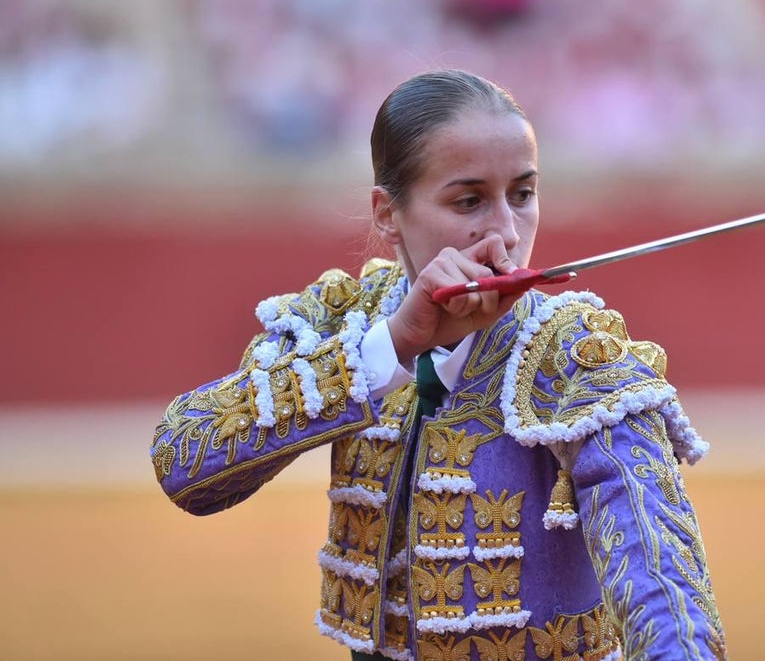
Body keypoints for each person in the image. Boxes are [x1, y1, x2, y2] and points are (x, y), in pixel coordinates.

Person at [151, 70, 726, 660]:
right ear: (386, 213)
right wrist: (392, 348)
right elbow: (184, 463)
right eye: (468, 200)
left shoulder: (578, 353)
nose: (504, 230)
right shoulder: (345, 322)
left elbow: (662, 581)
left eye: (522, 195)